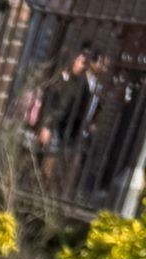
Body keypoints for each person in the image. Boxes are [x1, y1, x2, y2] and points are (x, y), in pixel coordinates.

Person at [38, 45, 101, 198]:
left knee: (68, 168)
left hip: (73, 131)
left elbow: (89, 107)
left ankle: (56, 198)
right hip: (58, 127)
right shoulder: (67, 79)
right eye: (81, 61)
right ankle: (39, 193)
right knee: (49, 165)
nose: (82, 64)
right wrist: (46, 126)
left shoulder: (90, 84)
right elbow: (56, 104)